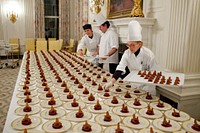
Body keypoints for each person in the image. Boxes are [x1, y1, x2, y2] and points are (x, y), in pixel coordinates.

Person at [104, 20, 157, 95]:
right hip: (134, 84)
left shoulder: (149, 55)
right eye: (128, 45)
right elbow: (120, 68)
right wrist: (111, 82)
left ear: (140, 44)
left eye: (133, 45)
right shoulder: (127, 53)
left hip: (147, 87)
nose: (130, 48)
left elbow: (154, 73)